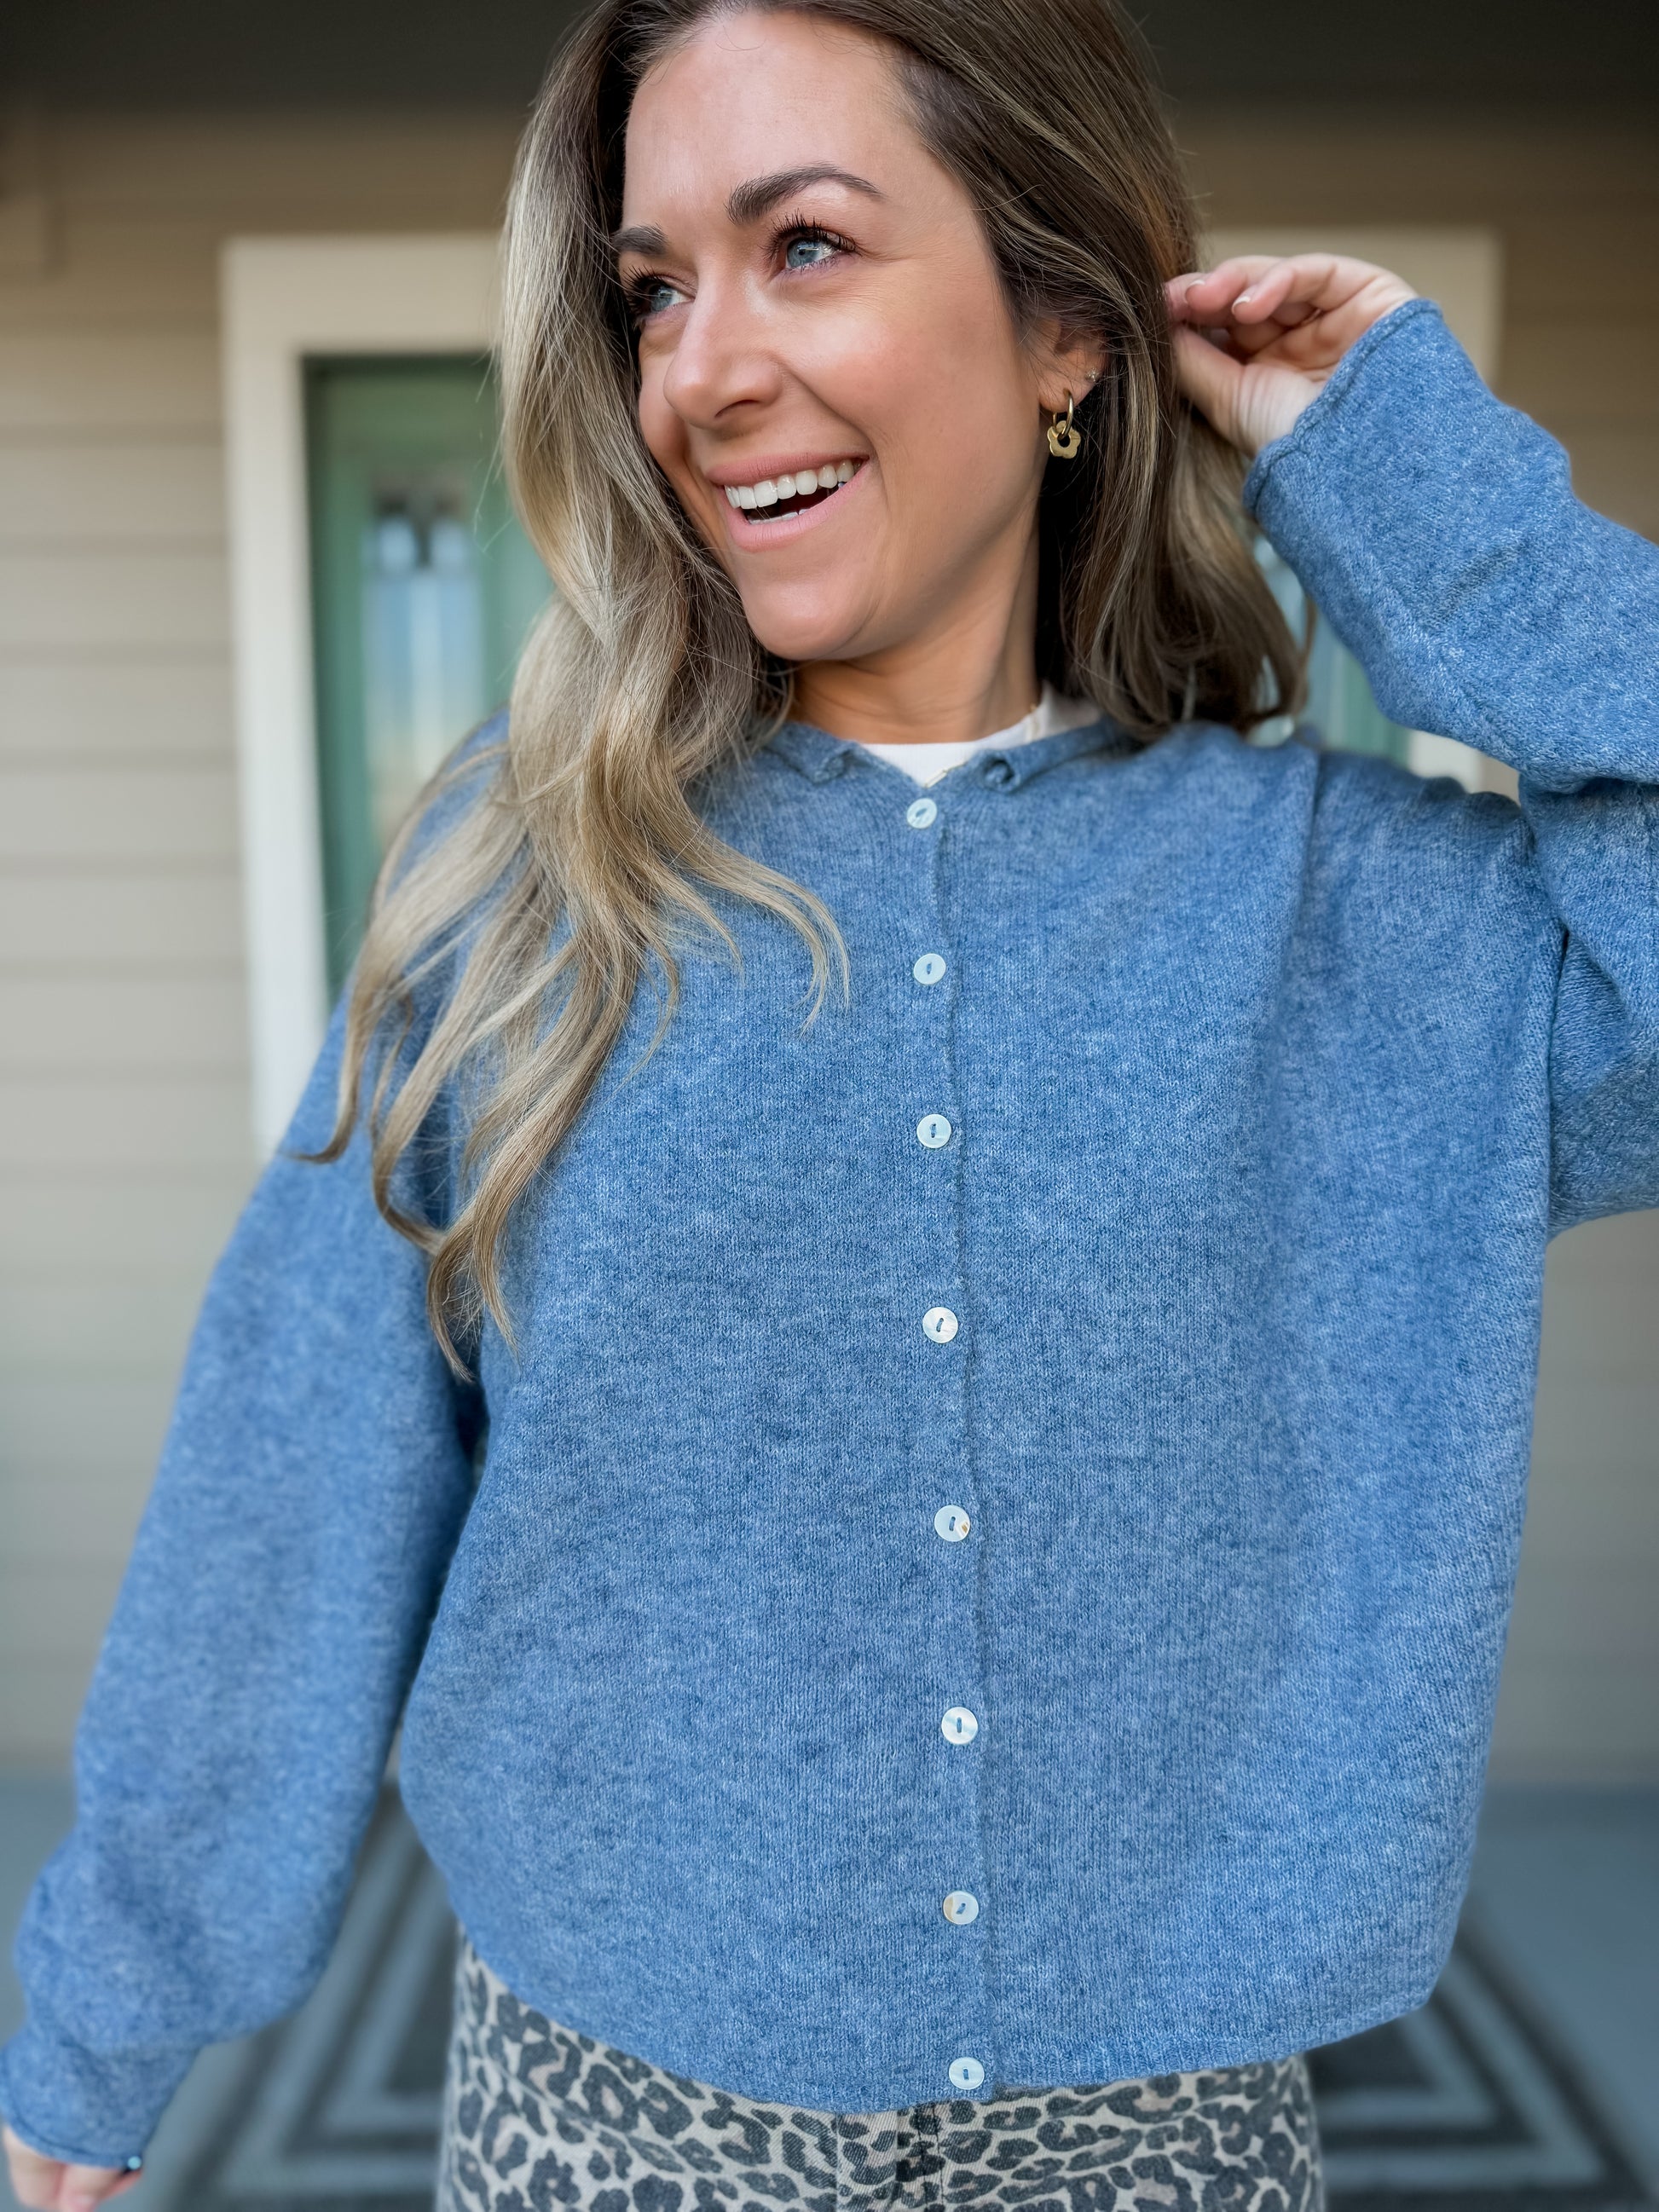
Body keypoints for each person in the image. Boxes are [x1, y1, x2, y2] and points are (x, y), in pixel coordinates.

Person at [7, 0, 1659, 2204]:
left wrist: (1414, 500)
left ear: (1062, 325)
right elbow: (293, 1479)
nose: (697, 368)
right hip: (606, 2138)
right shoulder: (524, 871)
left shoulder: (1349, 917)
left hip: (1160, 2153)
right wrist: (94, 2033)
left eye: (803, 246)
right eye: (654, 287)